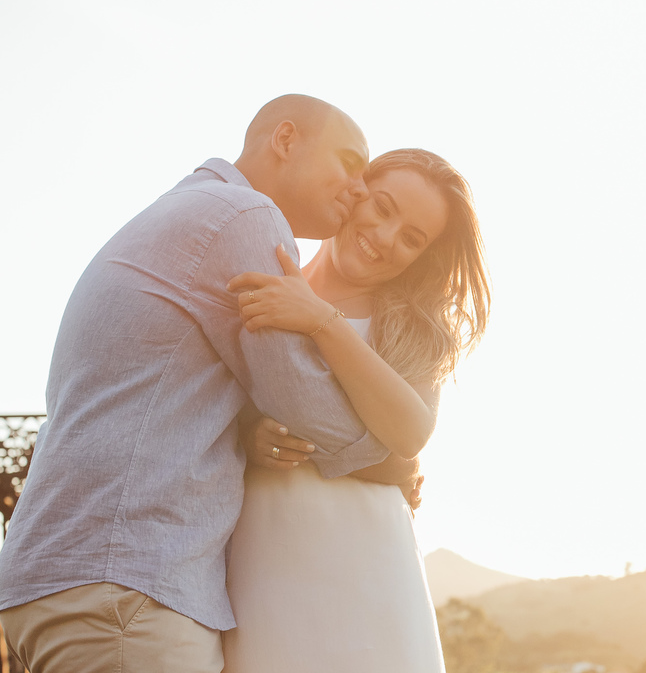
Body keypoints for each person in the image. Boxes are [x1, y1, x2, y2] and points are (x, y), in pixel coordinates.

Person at [0, 95, 396, 672]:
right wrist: (393, 451)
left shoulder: (184, 209)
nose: (359, 189)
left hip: (78, 576)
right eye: (349, 163)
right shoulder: (245, 217)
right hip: (127, 586)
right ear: (285, 140)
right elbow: (314, 412)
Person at [220, 148, 490, 672]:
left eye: (413, 238)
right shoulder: (264, 274)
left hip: (371, 574)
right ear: (354, 190)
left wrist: (322, 320)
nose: (386, 238)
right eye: (382, 207)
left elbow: (410, 434)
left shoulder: (417, 327)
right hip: (260, 569)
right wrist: (247, 437)